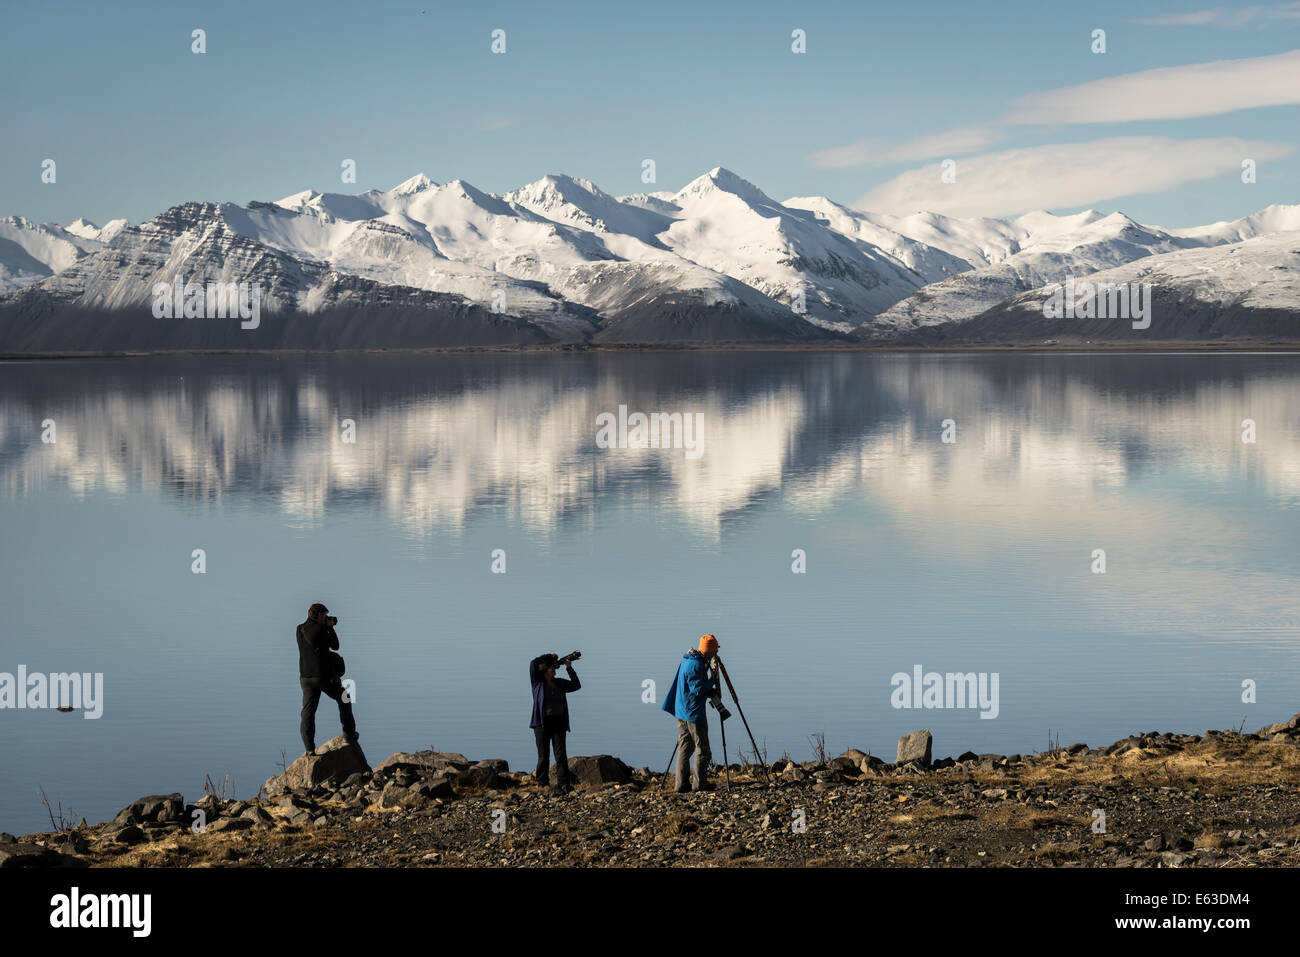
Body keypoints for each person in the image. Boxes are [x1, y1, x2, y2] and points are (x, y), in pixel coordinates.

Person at [297, 602, 358, 757]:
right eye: (325, 615)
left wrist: (326, 626)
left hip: (305, 677)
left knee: (308, 712)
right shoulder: (322, 629)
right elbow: (336, 646)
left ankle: (309, 748)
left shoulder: (300, 629)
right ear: (319, 615)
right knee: (344, 698)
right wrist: (330, 627)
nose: (326, 617)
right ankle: (349, 735)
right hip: (322, 676)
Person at [661, 634, 720, 792]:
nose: (715, 654)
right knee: (703, 748)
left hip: (681, 710)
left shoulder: (688, 659)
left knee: (685, 747)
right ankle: (700, 785)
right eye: (714, 651)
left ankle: (681, 785)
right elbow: (698, 689)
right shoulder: (697, 665)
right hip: (693, 713)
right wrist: (713, 679)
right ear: (710, 651)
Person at [529, 652, 580, 794]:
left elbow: (576, 685)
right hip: (541, 724)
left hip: (558, 723)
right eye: (552, 668)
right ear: (545, 670)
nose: (555, 670)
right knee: (543, 756)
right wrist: (549, 656)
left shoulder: (559, 683)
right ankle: (542, 783)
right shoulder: (537, 683)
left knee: (561, 755)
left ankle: (564, 784)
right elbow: (533, 664)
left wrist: (569, 668)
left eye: (555, 668)